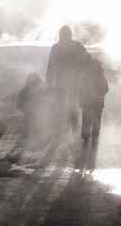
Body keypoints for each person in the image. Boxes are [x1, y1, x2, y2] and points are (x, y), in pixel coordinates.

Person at [42, 25, 91, 165]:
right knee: (65, 110)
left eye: (64, 35)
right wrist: (49, 82)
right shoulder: (70, 47)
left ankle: (70, 137)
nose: (63, 38)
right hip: (65, 85)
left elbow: (87, 61)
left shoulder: (62, 47)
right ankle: (67, 137)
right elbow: (51, 66)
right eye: (63, 36)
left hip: (69, 85)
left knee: (69, 110)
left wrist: (49, 81)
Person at [76, 56, 109, 174]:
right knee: (92, 132)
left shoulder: (87, 76)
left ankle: (84, 162)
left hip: (91, 106)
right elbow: (105, 90)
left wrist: (83, 101)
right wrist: (98, 96)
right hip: (95, 106)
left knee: (88, 132)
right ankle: (89, 163)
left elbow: (81, 91)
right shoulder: (98, 76)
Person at [6, 73, 44, 162]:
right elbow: (19, 105)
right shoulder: (25, 91)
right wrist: (26, 111)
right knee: (27, 134)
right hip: (28, 116)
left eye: (37, 84)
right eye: (36, 83)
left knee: (29, 134)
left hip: (33, 116)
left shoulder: (35, 91)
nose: (37, 86)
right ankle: (17, 155)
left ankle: (19, 153)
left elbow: (38, 103)